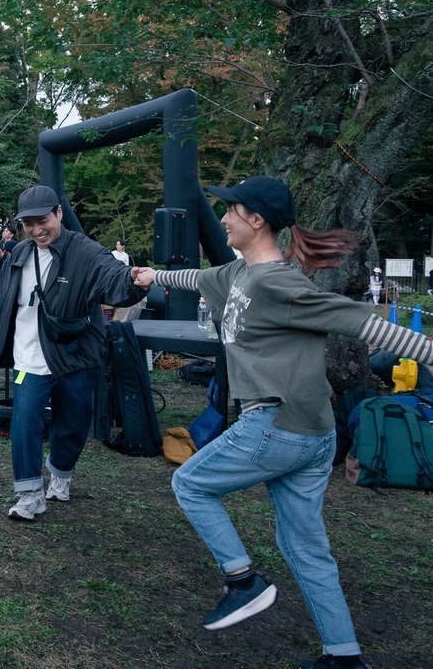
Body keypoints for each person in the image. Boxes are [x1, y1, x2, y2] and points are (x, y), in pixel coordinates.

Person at [133, 176, 433, 669]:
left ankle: (241, 581)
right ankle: (343, 656)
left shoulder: (281, 282)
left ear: (257, 219)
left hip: (277, 425)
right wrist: (152, 276)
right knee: (305, 549)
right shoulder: (238, 274)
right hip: (311, 436)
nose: (224, 217)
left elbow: (365, 324)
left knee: (190, 483)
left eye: (231, 209)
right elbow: (194, 277)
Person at [0, 185, 145, 521]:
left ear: (59, 214)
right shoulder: (20, 253)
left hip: (74, 350)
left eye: (43, 221)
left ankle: (61, 471)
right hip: (28, 352)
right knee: (24, 418)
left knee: (75, 418)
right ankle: (29, 495)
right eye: (28, 224)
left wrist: (132, 282)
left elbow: (112, 275)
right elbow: (5, 293)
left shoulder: (85, 251)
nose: (37, 230)